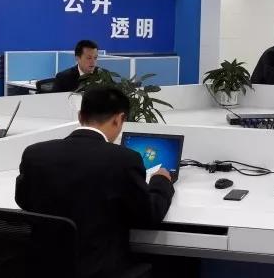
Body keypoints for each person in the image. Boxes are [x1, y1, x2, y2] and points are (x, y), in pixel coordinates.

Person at [15, 86, 174, 278]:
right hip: (99, 270)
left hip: (43, 268)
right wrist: (161, 181)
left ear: (80, 116)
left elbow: (23, 200)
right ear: (118, 119)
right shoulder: (124, 160)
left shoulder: (35, 154)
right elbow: (149, 215)